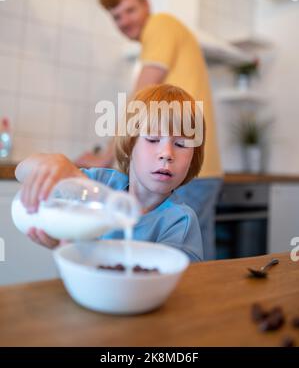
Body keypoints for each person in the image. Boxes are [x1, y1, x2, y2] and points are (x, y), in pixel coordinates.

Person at [76, 0, 223, 259]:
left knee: (182, 266)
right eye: (116, 16)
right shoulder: (160, 37)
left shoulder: (160, 24)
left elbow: (138, 105)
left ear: (147, 5)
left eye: (130, 10)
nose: (124, 21)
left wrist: (105, 157)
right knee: (193, 262)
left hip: (189, 170)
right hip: (196, 165)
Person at [15, 84, 205, 262]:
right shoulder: (99, 184)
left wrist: (80, 249)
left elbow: (164, 280)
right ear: (130, 145)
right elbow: (21, 171)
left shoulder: (179, 222)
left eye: (181, 144)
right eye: (153, 139)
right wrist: (54, 164)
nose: (167, 154)